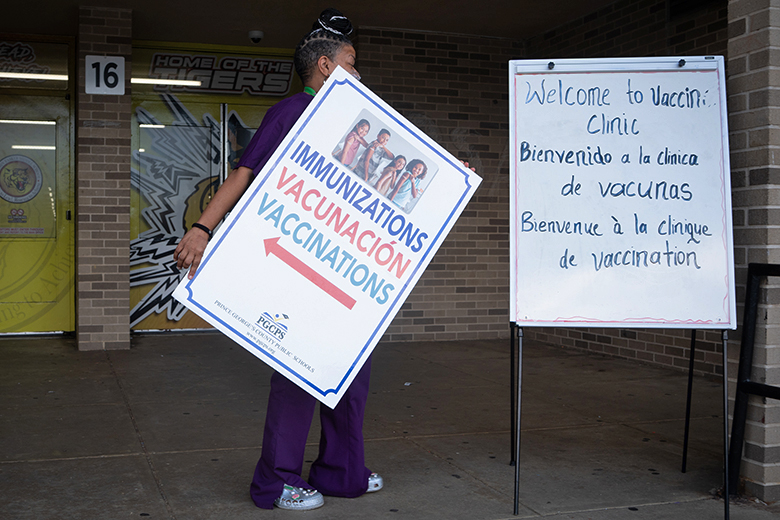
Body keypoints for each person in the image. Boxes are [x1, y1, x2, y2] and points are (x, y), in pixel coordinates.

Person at [173, 8, 381, 512]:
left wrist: (448, 180)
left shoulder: (362, 122)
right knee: (299, 374)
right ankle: (276, 480)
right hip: (299, 271)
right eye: (352, 62)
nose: (360, 72)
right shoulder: (289, 113)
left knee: (351, 375)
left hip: (350, 273)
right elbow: (244, 174)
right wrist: (203, 229)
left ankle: (341, 470)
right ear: (326, 67)